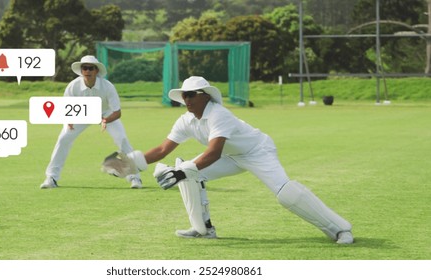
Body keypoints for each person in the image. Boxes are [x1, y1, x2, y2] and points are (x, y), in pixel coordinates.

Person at [124, 76, 353, 243]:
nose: (187, 99)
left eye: (191, 94)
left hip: (257, 151)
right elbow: (163, 149)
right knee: (187, 172)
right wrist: (128, 164)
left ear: (205, 96)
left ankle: (341, 230)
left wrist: (183, 172)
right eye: (184, 95)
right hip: (230, 156)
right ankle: (203, 229)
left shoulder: (218, 114)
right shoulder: (186, 120)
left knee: (286, 193)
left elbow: (213, 152)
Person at [40, 55, 142, 189]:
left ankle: (135, 178)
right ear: (81, 71)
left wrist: (105, 120)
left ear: (96, 71)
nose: (87, 71)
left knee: (121, 139)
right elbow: (66, 109)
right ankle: (51, 177)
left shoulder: (107, 87)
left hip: (106, 113)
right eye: (84, 68)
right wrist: (68, 121)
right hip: (81, 114)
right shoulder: (73, 86)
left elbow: (117, 112)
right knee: (63, 138)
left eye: (90, 68)